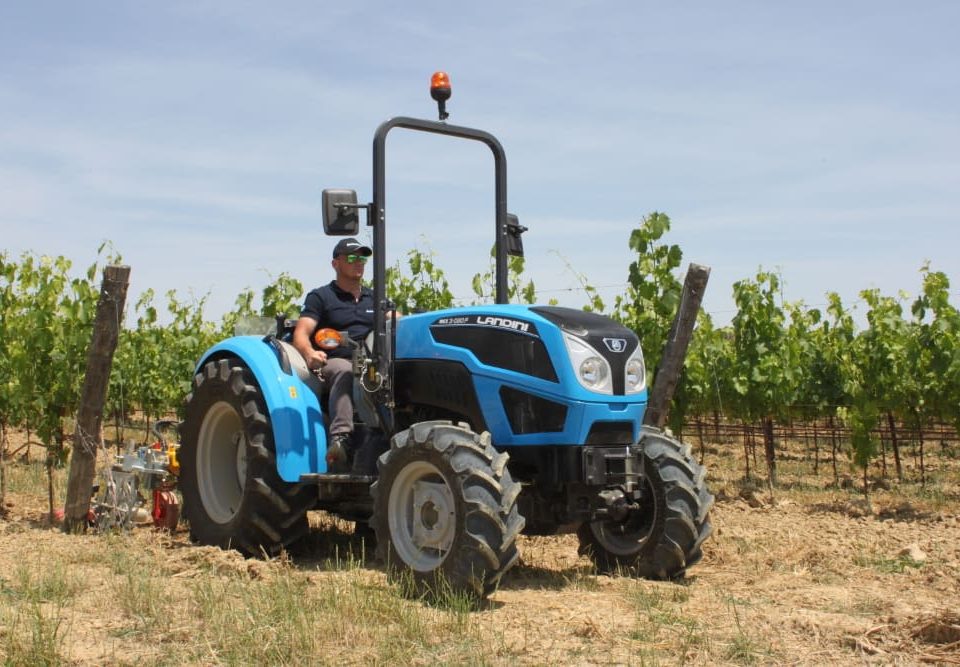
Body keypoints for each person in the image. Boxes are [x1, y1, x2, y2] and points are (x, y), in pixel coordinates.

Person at [293, 237, 374, 470]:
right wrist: (310, 353)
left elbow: (397, 323)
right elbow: (301, 333)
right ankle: (341, 440)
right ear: (335, 263)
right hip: (334, 361)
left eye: (362, 258)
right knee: (346, 371)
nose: (358, 262)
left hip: (372, 361)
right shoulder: (321, 297)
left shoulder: (375, 298)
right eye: (351, 258)